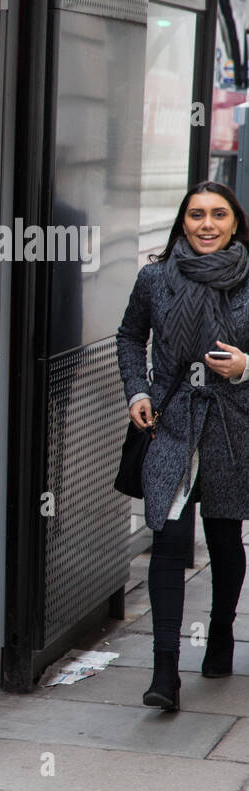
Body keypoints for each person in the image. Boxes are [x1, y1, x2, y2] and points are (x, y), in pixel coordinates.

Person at [116, 181, 249, 712]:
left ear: (235, 223)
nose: (207, 224)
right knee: (167, 540)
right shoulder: (155, 277)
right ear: (183, 222)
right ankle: (164, 672)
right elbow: (129, 336)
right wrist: (138, 390)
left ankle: (220, 633)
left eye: (219, 215)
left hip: (233, 424)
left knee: (223, 537)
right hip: (171, 423)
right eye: (197, 215)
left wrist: (245, 367)